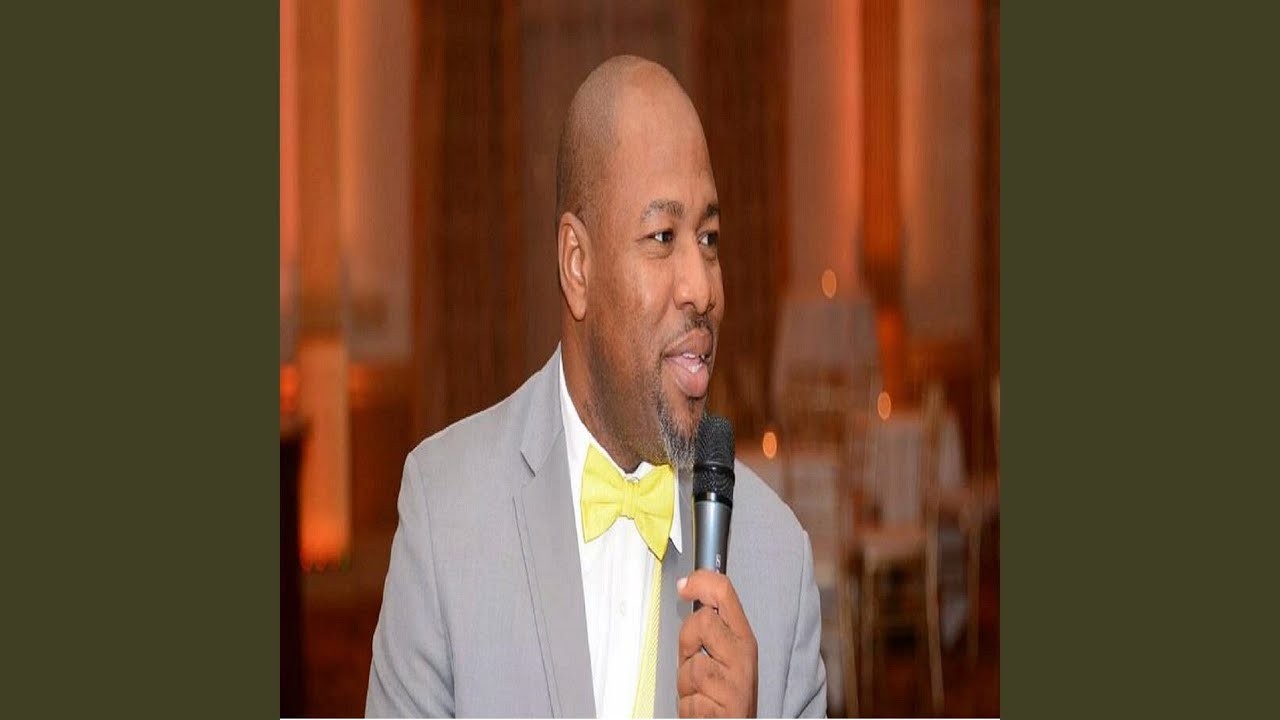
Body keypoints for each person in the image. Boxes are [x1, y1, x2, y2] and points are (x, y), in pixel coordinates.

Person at [366, 55, 826, 718]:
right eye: (663, 236)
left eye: (709, 237)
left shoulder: (779, 562)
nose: (703, 288)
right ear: (577, 266)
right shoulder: (447, 514)